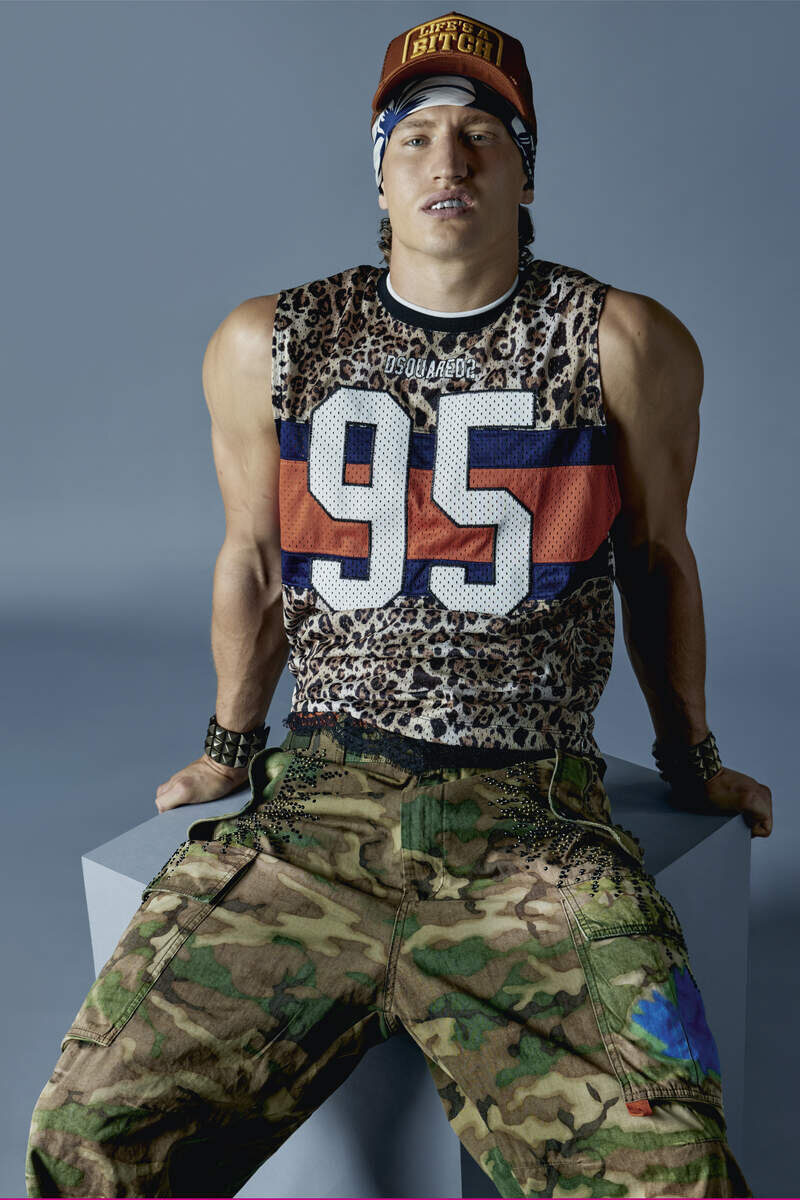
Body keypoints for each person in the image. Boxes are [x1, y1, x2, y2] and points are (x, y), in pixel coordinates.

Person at [26, 10, 771, 1198]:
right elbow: (254, 559)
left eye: (482, 133)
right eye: (414, 134)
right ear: (377, 171)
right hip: (320, 813)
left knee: (670, 1170)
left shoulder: (620, 340)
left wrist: (692, 760)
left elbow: (655, 560)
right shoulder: (270, 340)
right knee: (88, 1143)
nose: (446, 158)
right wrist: (229, 748)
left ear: (527, 170)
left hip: (527, 826)